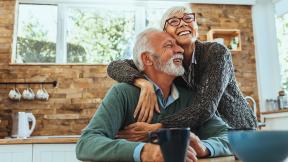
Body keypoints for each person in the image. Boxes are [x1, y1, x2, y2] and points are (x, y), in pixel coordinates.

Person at [76, 28, 232, 162]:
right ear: (147, 58)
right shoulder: (123, 93)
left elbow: (229, 138)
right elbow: (87, 143)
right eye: (169, 45)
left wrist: (204, 147)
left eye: (177, 45)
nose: (180, 50)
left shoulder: (190, 98)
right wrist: (145, 151)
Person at [107, 6, 257, 129]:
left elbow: (205, 108)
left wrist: (159, 127)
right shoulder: (166, 62)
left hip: (239, 131)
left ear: (195, 26)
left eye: (188, 18)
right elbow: (115, 66)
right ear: (165, 34)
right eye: (173, 21)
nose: (183, 23)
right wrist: (142, 82)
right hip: (207, 134)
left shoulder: (216, 52)